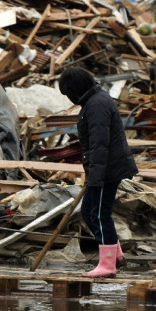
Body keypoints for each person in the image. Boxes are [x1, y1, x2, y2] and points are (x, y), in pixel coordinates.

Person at [58, 66, 137, 277]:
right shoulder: (94, 101)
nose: (69, 99)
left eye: (68, 94)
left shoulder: (97, 105)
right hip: (104, 168)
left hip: (107, 170)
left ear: (75, 89)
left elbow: (100, 145)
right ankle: (116, 254)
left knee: (99, 214)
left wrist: (95, 177)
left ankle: (108, 264)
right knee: (90, 212)